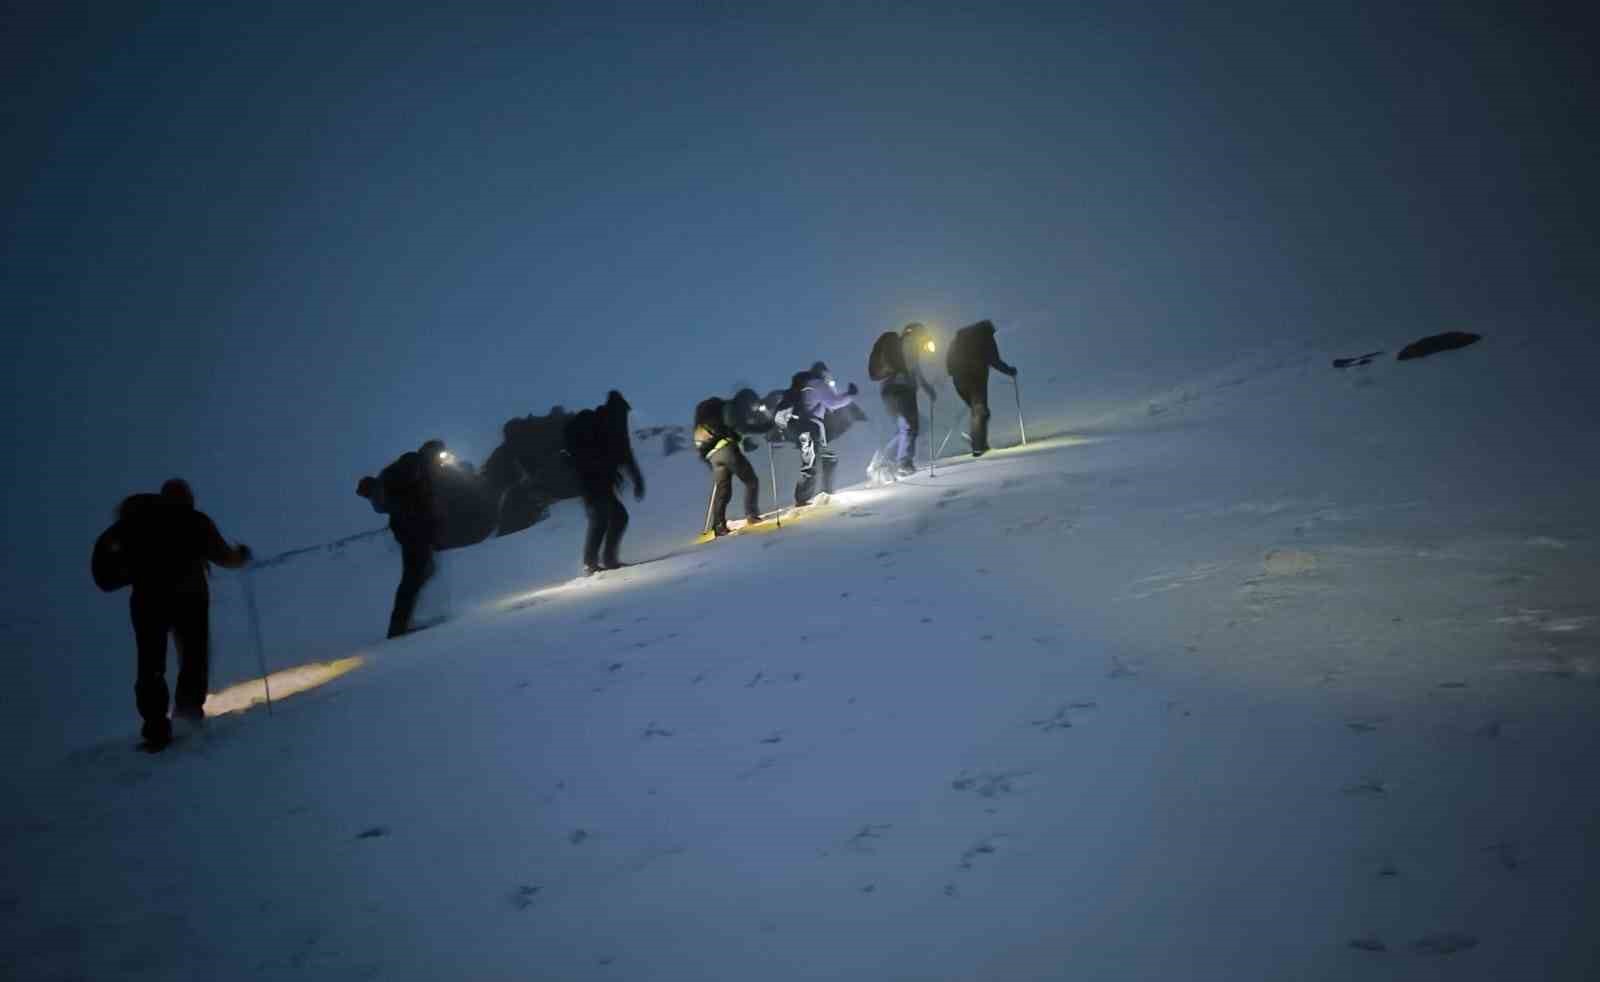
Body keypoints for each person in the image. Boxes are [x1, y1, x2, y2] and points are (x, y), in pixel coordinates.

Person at [99, 479, 251, 751]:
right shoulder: (195, 522)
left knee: (150, 664)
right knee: (194, 657)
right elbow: (223, 556)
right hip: (190, 601)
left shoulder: (136, 526)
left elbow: (105, 572)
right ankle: (188, 716)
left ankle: (156, 726)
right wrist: (241, 557)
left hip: (147, 603)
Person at [359, 441, 444, 639]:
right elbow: (417, 499)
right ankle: (399, 626)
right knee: (413, 577)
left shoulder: (412, 467)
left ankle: (404, 622)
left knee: (422, 572)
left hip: (408, 528)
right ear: (431, 453)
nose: (441, 460)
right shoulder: (413, 463)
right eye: (439, 454)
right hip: (411, 528)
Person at [565, 390, 645, 574]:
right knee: (603, 518)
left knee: (615, 517)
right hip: (593, 480)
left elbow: (624, 454)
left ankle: (605, 560)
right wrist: (637, 479)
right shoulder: (609, 424)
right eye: (625, 412)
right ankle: (592, 563)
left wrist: (636, 479)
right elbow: (626, 455)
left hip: (596, 480)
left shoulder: (605, 422)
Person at [870, 322, 939, 478]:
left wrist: (926, 388)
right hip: (900, 389)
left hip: (890, 390)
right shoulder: (909, 344)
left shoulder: (904, 345)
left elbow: (914, 370)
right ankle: (902, 463)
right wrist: (927, 388)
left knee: (907, 427)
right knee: (909, 426)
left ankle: (885, 461)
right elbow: (913, 370)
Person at [945, 319, 1017, 457]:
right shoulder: (985, 337)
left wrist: (954, 371)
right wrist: (1010, 371)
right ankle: (978, 446)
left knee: (978, 410)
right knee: (980, 411)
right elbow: (994, 360)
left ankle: (976, 439)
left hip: (959, 381)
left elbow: (948, 362)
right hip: (976, 378)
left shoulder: (958, 339)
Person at [694, 396, 764, 536]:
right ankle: (752, 515)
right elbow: (736, 428)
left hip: (712, 456)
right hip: (727, 450)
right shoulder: (730, 409)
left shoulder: (704, 421)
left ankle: (719, 526)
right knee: (751, 480)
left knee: (723, 490)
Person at [789, 366, 858, 505]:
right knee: (811, 464)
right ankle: (803, 499)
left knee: (825, 459)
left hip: (807, 428)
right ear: (823, 374)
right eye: (828, 375)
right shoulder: (817, 384)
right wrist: (850, 395)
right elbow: (833, 402)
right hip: (810, 427)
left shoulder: (807, 386)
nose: (829, 379)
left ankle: (825, 492)